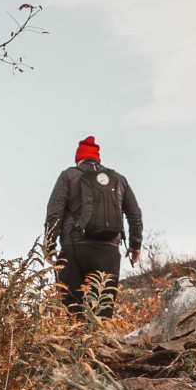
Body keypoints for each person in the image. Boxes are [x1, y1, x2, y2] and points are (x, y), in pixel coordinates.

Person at [44, 136, 143, 319]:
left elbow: (54, 212)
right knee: (103, 308)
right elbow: (135, 214)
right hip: (109, 250)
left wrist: (49, 245)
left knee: (71, 309)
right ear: (97, 158)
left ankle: (75, 345)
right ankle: (102, 344)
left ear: (78, 159)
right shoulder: (118, 179)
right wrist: (135, 245)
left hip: (74, 248)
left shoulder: (69, 176)